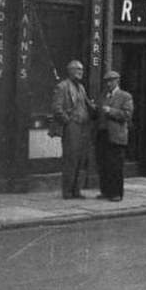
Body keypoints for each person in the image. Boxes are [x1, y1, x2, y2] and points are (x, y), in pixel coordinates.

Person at [51, 60, 98, 200]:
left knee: (81, 159)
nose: (80, 72)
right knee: (71, 159)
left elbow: (87, 104)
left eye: (82, 70)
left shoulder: (81, 88)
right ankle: (68, 191)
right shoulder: (62, 86)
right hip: (72, 126)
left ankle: (76, 190)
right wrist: (68, 122)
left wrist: (95, 108)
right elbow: (56, 108)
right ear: (70, 71)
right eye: (77, 69)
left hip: (84, 126)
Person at [95, 70, 134, 201]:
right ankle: (105, 191)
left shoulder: (125, 96)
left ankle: (116, 193)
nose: (108, 84)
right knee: (103, 164)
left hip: (116, 136)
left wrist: (110, 111)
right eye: (107, 81)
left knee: (115, 166)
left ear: (117, 81)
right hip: (103, 134)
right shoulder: (103, 96)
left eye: (111, 81)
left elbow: (127, 115)